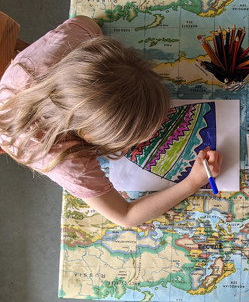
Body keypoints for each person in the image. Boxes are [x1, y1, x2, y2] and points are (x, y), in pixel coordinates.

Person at [0, 15, 222, 228]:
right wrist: (192, 182)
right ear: (90, 139)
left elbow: (87, 24)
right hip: (13, 129)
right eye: (131, 139)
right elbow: (125, 216)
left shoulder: (65, 49)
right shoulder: (69, 162)